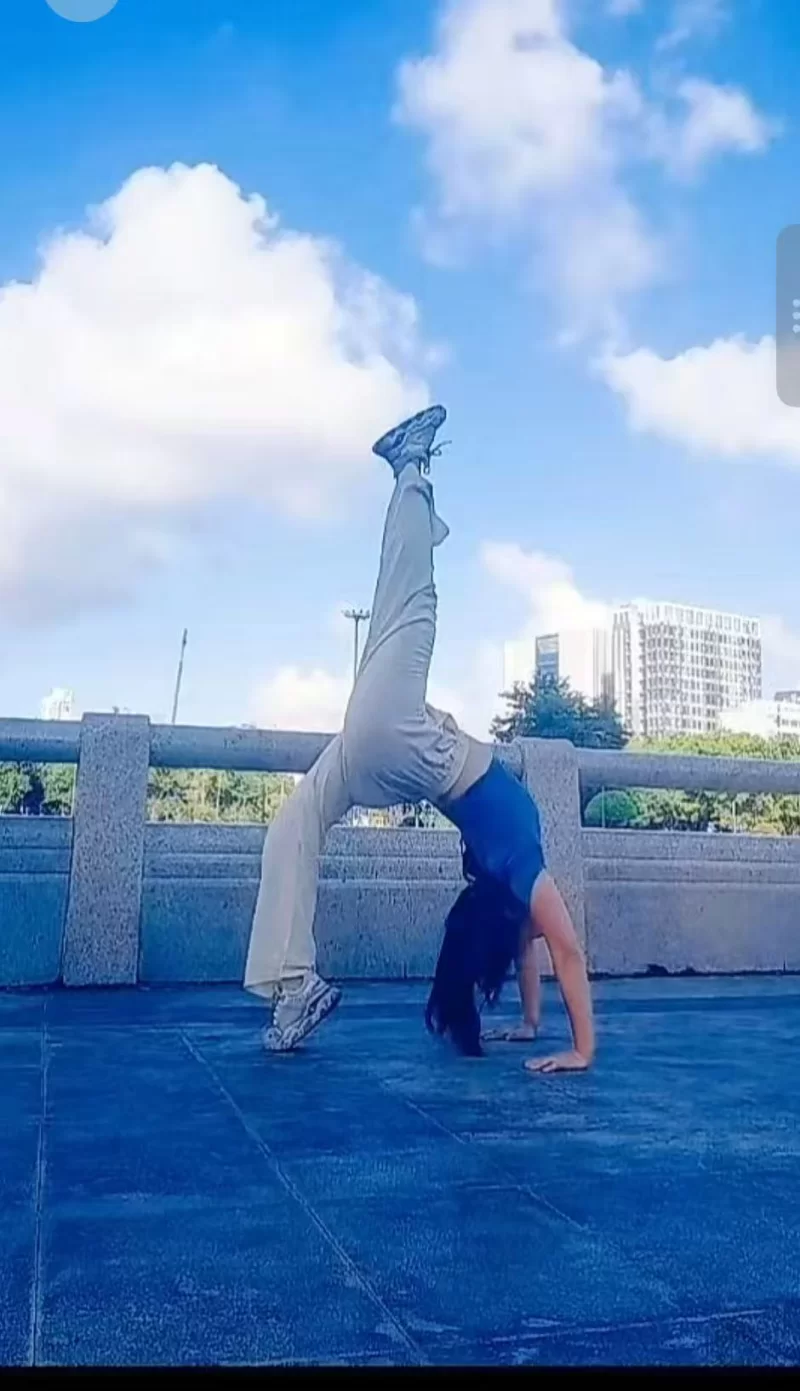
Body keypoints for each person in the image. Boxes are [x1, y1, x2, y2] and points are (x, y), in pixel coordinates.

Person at [244, 405, 595, 1074]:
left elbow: (567, 950)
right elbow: (535, 950)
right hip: (393, 753)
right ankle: (294, 986)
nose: (529, 945)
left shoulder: (520, 865)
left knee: (411, 604)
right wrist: (529, 1024)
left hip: (413, 749)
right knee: (294, 824)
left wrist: (581, 1049)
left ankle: (412, 464)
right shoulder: (511, 887)